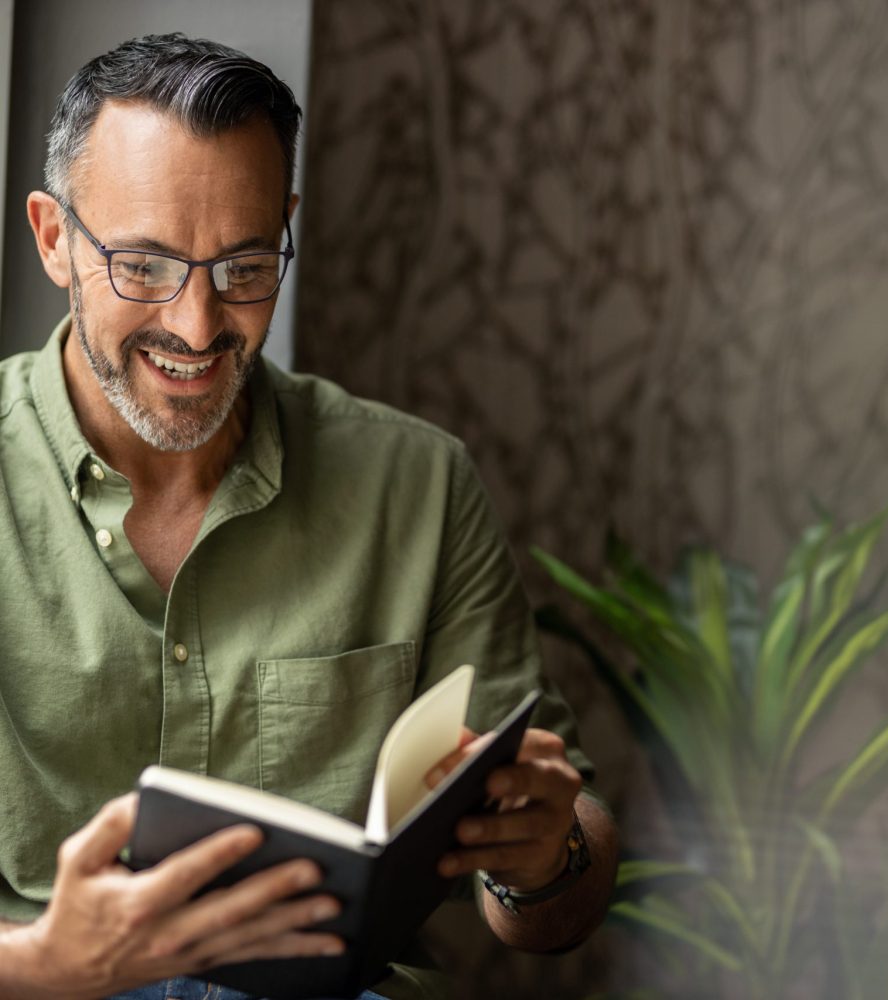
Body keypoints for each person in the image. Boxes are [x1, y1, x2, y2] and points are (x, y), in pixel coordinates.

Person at [0, 32, 617, 1000]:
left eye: (244, 265)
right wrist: (42, 965)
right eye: (145, 267)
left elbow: (549, 912)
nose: (198, 327)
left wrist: (543, 855)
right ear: (53, 239)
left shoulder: (417, 483)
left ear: (285, 227)